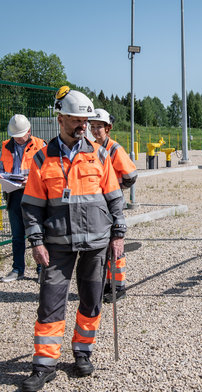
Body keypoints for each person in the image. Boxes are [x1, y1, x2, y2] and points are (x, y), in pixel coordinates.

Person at [19, 87, 126, 392]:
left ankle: (82, 351)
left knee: (91, 300)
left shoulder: (99, 154)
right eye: (77, 119)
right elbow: (31, 206)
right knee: (50, 303)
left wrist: (118, 234)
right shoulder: (42, 159)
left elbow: (114, 198)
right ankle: (44, 365)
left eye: (85, 120)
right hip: (57, 244)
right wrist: (36, 242)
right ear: (61, 118)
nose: (83, 125)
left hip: (95, 243)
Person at [88, 108, 138, 303]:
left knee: (115, 245)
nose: (95, 131)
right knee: (102, 246)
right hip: (97, 205)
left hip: (111, 204)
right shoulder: (91, 148)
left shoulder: (114, 149)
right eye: (92, 127)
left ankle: (118, 287)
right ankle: (106, 285)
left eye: (99, 127)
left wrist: (115, 188)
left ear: (108, 128)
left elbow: (131, 175)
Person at [0, 114, 46, 282]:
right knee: (17, 235)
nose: (17, 139)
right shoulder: (6, 146)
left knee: (39, 233)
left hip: (35, 193)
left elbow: (47, 171)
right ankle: (17, 269)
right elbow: (1, 169)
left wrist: (31, 179)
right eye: (15, 136)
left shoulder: (41, 145)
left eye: (20, 135)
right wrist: (5, 178)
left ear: (29, 131)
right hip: (14, 193)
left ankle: (42, 270)